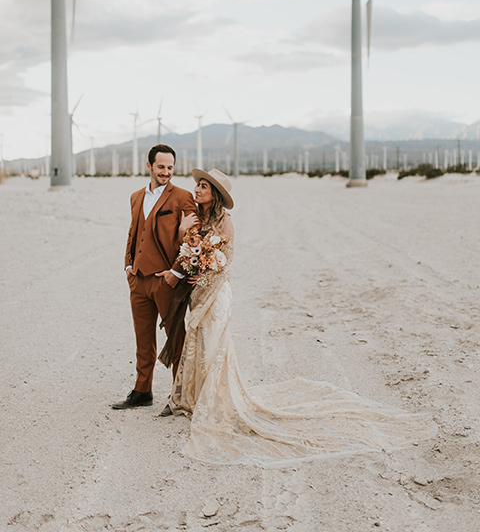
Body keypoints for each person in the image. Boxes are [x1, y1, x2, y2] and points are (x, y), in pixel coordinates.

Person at [159, 168, 436, 467]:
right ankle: (197, 398)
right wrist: (185, 240)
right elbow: (187, 251)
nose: (197, 190)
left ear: (214, 193)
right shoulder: (195, 220)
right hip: (198, 293)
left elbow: (226, 261)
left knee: (215, 347)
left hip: (216, 293)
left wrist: (204, 266)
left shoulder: (226, 222)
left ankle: (216, 403)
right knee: (199, 344)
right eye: (197, 185)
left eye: (203, 186)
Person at [112, 144, 197, 410]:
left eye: (170, 167)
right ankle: (142, 391)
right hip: (138, 279)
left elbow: (194, 241)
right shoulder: (136, 196)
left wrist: (175, 272)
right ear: (149, 166)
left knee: (175, 338)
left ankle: (179, 395)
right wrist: (128, 266)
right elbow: (133, 232)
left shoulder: (182, 197)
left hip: (166, 280)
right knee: (143, 337)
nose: (166, 172)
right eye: (161, 167)